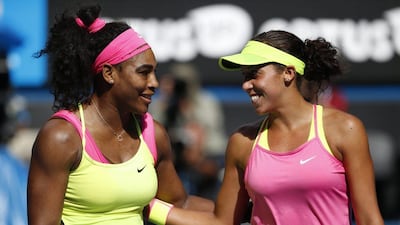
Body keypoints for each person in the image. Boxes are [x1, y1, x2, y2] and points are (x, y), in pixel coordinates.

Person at [158, 30, 385, 225]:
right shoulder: (241, 142)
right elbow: (222, 221)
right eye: (244, 76)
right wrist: (147, 208)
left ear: (288, 72)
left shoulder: (345, 129)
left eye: (254, 74)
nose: (246, 85)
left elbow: (369, 219)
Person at [27, 4, 213, 225]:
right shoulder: (61, 138)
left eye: (154, 72)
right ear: (109, 73)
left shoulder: (153, 134)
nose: (154, 83)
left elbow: (179, 204)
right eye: (144, 73)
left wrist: (249, 206)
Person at [149, 63, 227, 200]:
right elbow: (156, 129)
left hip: (208, 154)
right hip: (175, 155)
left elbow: (209, 131)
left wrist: (188, 111)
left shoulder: (205, 102)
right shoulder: (161, 105)